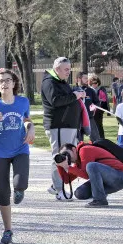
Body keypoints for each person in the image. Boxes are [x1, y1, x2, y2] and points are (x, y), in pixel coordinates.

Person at [0, 69, 33, 244]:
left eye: (7, 80)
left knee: (20, 183)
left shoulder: (22, 101)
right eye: (0, 81)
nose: (4, 83)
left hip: (20, 148)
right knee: (3, 191)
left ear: (14, 83)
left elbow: (26, 119)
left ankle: (20, 189)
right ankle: (7, 230)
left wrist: (31, 128)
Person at [41, 57, 85, 200]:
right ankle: (59, 189)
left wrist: (76, 94)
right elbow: (55, 101)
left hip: (68, 125)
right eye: (66, 69)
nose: (68, 72)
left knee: (68, 156)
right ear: (57, 69)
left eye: (69, 69)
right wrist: (74, 96)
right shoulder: (49, 82)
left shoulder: (61, 82)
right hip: (58, 125)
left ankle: (56, 185)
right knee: (60, 156)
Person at [56, 142, 123, 207]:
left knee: (91, 166)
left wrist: (68, 167)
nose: (66, 157)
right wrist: (60, 166)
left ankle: (100, 200)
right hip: (108, 183)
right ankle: (101, 194)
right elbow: (67, 180)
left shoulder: (84, 150)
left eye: (66, 153)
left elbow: (86, 174)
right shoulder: (78, 162)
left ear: (74, 149)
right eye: (63, 155)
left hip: (119, 177)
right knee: (80, 193)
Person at [75, 71, 101, 142]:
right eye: (85, 78)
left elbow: (97, 102)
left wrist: (95, 107)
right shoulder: (73, 90)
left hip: (89, 118)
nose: (87, 80)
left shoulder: (90, 91)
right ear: (79, 79)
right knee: (78, 141)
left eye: (87, 78)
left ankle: (97, 152)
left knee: (96, 139)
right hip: (77, 120)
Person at [88, 74, 110, 139]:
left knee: (99, 125)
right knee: (91, 126)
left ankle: (101, 139)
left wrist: (107, 109)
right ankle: (93, 140)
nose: (94, 84)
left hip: (99, 110)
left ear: (98, 82)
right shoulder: (89, 90)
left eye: (96, 83)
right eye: (92, 83)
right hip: (91, 110)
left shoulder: (101, 89)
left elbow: (105, 99)